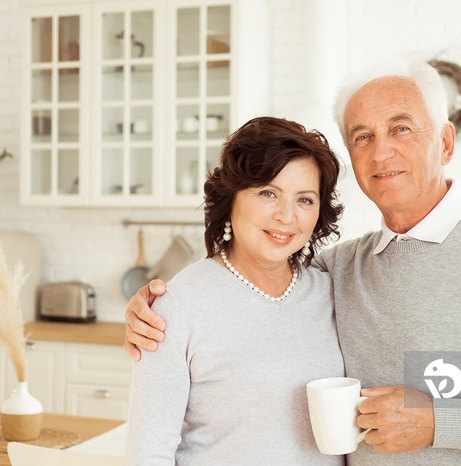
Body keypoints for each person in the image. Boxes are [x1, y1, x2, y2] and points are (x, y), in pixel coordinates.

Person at [125, 63, 461, 465]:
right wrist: (155, 307)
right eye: (362, 136)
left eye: (401, 128)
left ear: (446, 144)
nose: (381, 151)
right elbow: (252, 285)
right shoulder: (339, 270)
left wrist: (439, 422)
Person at [124, 116, 346, 465]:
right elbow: (148, 450)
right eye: (268, 193)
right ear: (231, 199)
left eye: (305, 199)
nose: (287, 216)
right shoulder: (177, 305)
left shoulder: (330, 291)